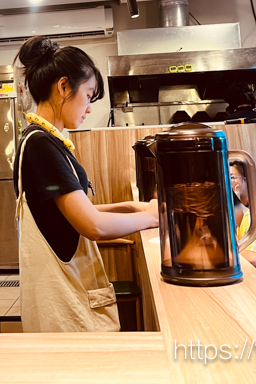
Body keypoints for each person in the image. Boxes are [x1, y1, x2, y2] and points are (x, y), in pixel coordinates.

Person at [13, 36, 159, 332]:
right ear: (64, 87)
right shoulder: (42, 145)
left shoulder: (42, 139)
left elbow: (68, 212)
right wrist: (154, 216)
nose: (89, 108)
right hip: (67, 311)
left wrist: (130, 207)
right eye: (88, 95)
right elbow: (91, 225)